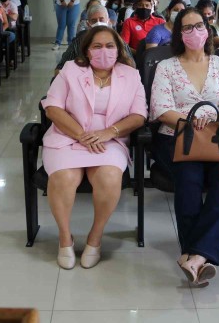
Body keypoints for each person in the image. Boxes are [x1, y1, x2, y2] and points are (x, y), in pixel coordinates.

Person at [149, 8, 219, 286]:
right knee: (189, 180)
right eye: (186, 28)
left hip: (216, 140)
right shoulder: (167, 66)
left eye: (198, 25)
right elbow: (161, 109)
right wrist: (192, 120)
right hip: (176, 138)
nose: (194, 32)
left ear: (207, 28)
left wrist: (209, 118)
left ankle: (193, 256)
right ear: (179, 34)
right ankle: (200, 254)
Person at [41, 26, 146, 269]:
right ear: (87, 51)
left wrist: (109, 132)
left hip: (110, 139)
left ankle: (95, 237)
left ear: (119, 50)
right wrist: (81, 134)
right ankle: (65, 238)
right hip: (68, 136)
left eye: (110, 46)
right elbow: (52, 107)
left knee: (109, 177)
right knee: (63, 178)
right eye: (97, 46)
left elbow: (139, 115)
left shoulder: (130, 75)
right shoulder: (70, 70)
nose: (104, 51)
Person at [56, 4, 133, 73]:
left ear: (108, 21)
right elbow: (60, 68)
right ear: (88, 24)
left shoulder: (118, 40)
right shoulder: (78, 42)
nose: (98, 23)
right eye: (94, 21)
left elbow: (131, 65)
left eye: (101, 19)